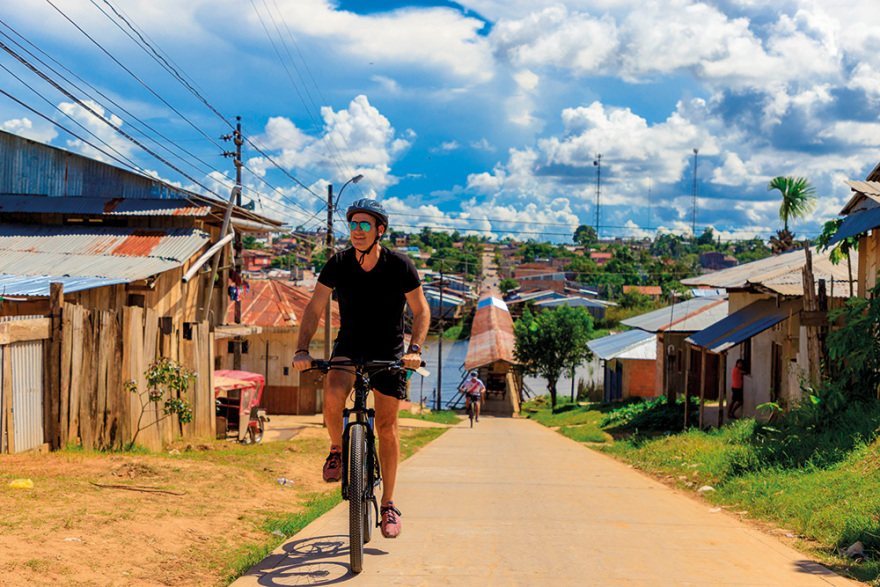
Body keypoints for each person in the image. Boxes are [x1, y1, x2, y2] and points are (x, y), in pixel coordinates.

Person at [293, 198, 430, 539]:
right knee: (333, 396)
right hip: (350, 346)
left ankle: (388, 504)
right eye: (353, 225)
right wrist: (302, 348)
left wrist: (414, 350)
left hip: (390, 352)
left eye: (364, 225)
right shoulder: (338, 264)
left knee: (386, 426)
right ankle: (337, 450)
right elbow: (314, 307)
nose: (357, 231)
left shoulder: (400, 265)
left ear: (379, 230)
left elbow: (421, 310)